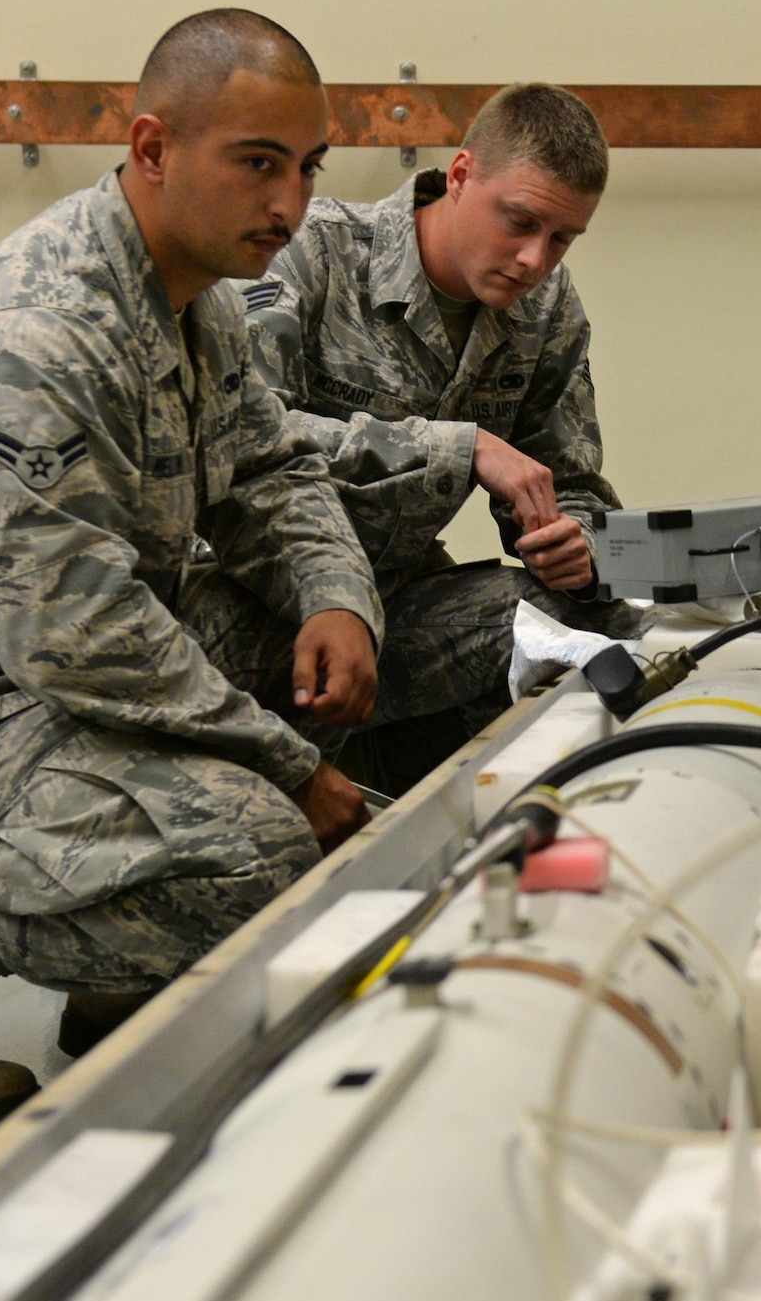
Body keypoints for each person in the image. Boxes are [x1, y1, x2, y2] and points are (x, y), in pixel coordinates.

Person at [0, 10, 383, 1134]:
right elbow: (74, 632)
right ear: (152, 149)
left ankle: (122, 923)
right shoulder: (38, 331)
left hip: (27, 672)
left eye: (306, 168)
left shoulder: (199, 303)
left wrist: (335, 596)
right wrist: (289, 766)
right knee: (258, 854)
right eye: (257, 164)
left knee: (357, 657)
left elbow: (273, 473)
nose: (291, 205)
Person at [237, 83, 645, 790]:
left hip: (398, 605)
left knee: (593, 623)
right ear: (459, 177)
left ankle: (461, 811)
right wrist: (462, 448)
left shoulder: (546, 309)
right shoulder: (315, 255)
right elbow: (244, 436)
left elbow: (570, 480)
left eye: (561, 238)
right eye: (518, 222)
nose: (533, 260)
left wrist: (574, 542)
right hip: (263, 605)